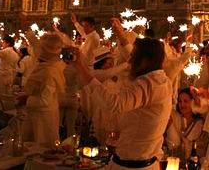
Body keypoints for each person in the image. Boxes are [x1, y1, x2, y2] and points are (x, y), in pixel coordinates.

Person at [72, 36, 172, 170]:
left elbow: (114, 104)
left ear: (145, 61)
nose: (130, 60)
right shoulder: (162, 81)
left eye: (133, 55)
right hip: (146, 162)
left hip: (132, 165)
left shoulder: (148, 84)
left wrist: (79, 65)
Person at [23, 33, 66, 147]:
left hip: (43, 118)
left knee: (41, 150)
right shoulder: (50, 66)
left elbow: (44, 101)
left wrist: (25, 99)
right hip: (39, 115)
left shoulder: (49, 71)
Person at [165, 88, 204, 161]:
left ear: (193, 102)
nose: (182, 104)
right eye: (180, 101)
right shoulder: (175, 117)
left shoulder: (199, 123)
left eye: (186, 101)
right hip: (173, 160)